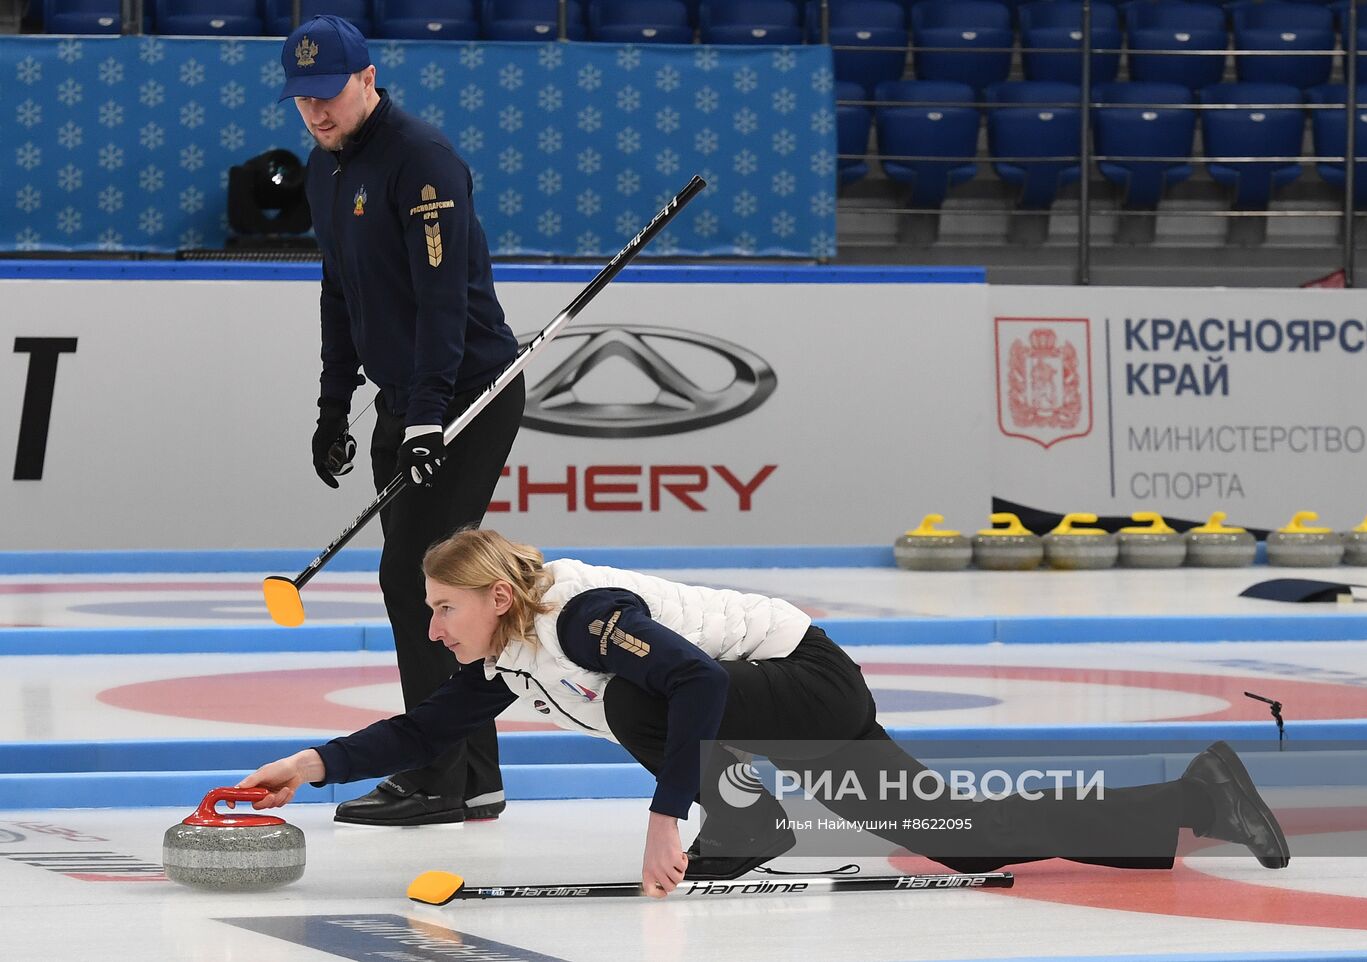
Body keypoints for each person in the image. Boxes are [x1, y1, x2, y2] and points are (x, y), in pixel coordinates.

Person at [239, 529, 1291, 898]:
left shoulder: (582, 616)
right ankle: (1195, 796)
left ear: (497, 596)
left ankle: (753, 821)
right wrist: (312, 762)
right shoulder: (507, 650)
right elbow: (424, 730)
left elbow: (695, 682)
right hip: (781, 701)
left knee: (650, 693)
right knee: (971, 842)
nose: (430, 625)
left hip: (806, 676)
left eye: (441, 607)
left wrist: (673, 815)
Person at [277, 16, 524, 827]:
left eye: (329, 94)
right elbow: (339, 293)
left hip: (467, 393)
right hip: (409, 396)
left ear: (369, 76)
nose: (316, 112)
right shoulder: (326, 166)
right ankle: (473, 776)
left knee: (422, 585)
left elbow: (441, 301)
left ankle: (436, 776)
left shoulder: (422, 160)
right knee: (436, 584)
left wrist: (425, 421)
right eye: (302, 99)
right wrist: (332, 406)